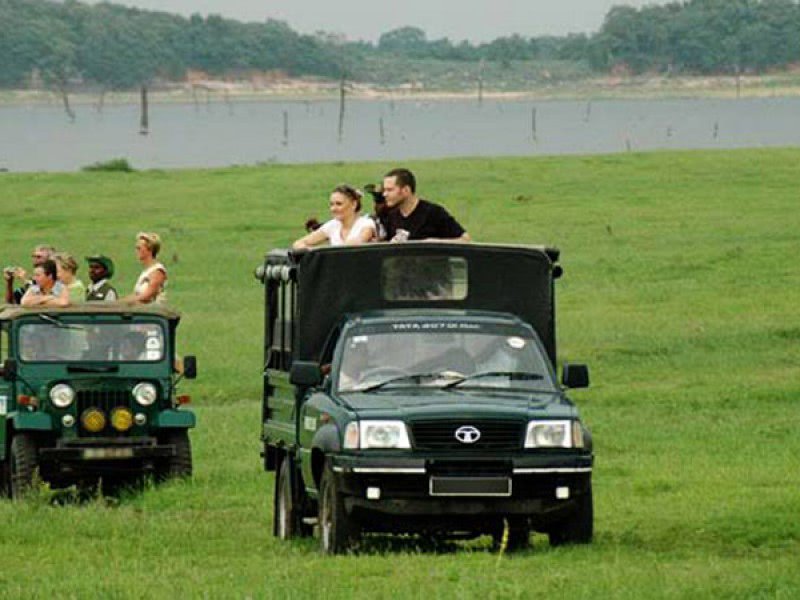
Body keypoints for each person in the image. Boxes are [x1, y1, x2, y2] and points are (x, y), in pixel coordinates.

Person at [381, 168, 470, 242]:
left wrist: (436, 243)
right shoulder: (391, 217)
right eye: (384, 190)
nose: (384, 194)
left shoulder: (433, 213)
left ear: (406, 190)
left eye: (390, 190)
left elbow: (465, 239)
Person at [292, 185, 376, 250]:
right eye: (332, 204)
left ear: (354, 204)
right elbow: (298, 243)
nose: (333, 209)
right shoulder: (333, 225)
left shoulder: (366, 224)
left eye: (339, 204)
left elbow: (355, 244)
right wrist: (313, 253)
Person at [126, 232, 168, 305]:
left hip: (153, 313)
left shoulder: (157, 271)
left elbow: (146, 296)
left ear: (149, 250)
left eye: (139, 248)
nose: (136, 251)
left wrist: (128, 302)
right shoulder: (145, 272)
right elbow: (137, 295)